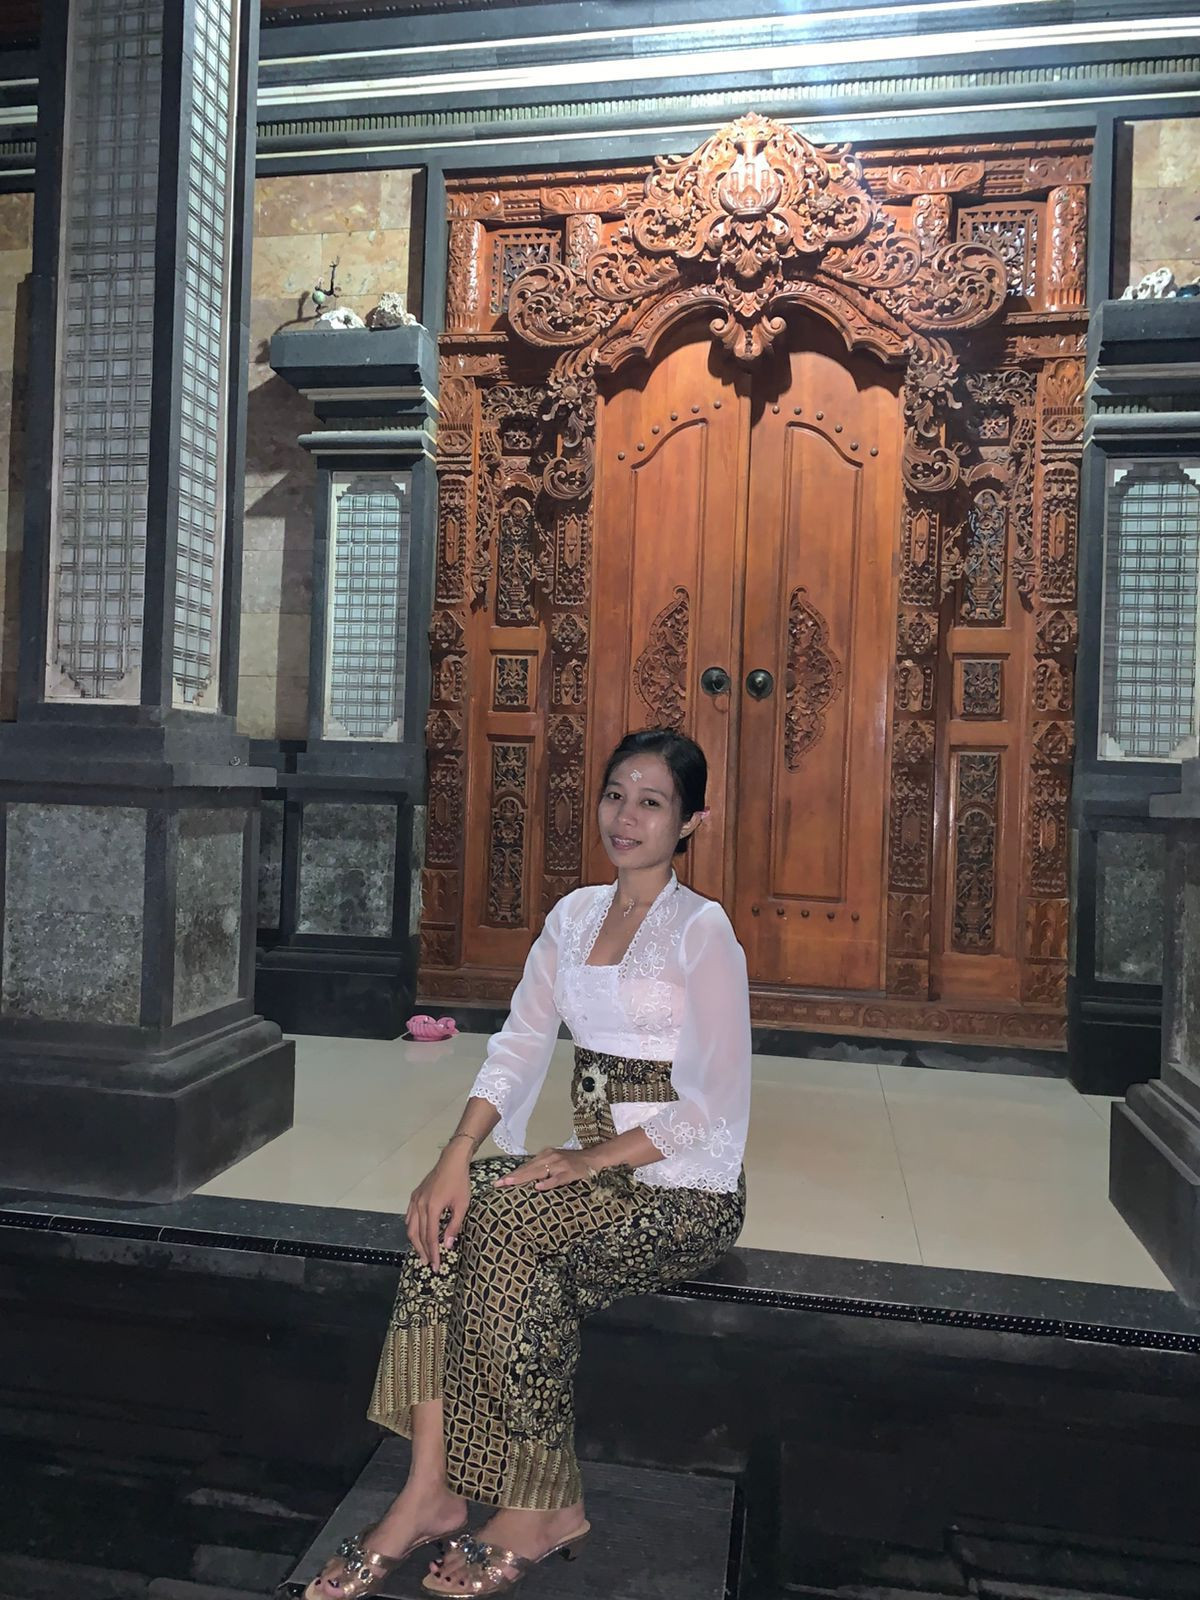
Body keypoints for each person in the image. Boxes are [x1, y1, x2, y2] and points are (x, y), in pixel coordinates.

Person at [301, 728, 752, 1599]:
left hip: (682, 1187)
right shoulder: (574, 916)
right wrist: (456, 1154)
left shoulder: (704, 932)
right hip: (593, 1174)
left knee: (509, 1232)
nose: (626, 818)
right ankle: (429, 1490)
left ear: (692, 821)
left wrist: (591, 1159)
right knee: (448, 1213)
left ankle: (542, 1506)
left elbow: (715, 1104)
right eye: (615, 795)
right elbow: (519, 1044)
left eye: (652, 803)